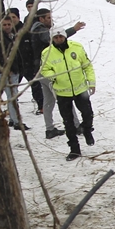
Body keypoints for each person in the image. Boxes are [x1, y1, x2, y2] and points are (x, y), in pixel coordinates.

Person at [38, 26, 95, 160]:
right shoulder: (47, 53)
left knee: (88, 114)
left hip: (80, 89)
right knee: (68, 122)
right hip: (63, 93)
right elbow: (44, 69)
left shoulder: (77, 47)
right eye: (56, 37)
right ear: (52, 39)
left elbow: (87, 65)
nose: (59, 39)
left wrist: (91, 82)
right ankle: (74, 149)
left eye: (61, 37)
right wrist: (54, 76)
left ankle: (87, 130)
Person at [28, 9, 86, 137]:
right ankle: (75, 126)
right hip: (47, 71)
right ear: (41, 19)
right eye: (48, 18)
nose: (51, 20)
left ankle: (49, 129)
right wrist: (73, 29)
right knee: (64, 98)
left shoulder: (36, 29)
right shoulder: (40, 30)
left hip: (41, 71)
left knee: (48, 101)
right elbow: (53, 39)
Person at [0, 15, 29, 131]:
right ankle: (17, 121)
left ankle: (13, 119)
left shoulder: (11, 36)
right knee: (12, 97)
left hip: (15, 70)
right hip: (7, 72)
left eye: (9, 24)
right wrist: (7, 69)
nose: (7, 27)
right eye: (4, 25)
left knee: (12, 96)